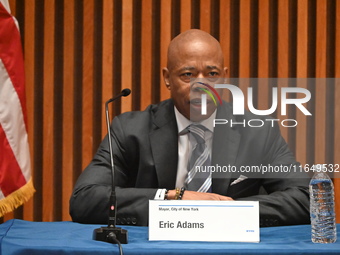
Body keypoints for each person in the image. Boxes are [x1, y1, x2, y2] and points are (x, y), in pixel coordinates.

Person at [70, 29, 310, 227]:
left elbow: (304, 199)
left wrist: (225, 211)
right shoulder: (131, 130)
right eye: (188, 74)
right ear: (167, 78)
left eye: (212, 74)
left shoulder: (257, 131)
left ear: (225, 77)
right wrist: (172, 198)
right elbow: (85, 200)